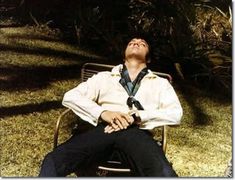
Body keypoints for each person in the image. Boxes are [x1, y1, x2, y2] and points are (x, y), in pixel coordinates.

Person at [39, 37, 183, 177]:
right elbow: (70, 96)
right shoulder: (104, 77)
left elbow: (176, 113)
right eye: (131, 42)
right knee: (53, 161)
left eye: (142, 44)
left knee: (164, 173)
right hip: (101, 130)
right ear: (123, 56)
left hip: (136, 134)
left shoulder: (160, 83)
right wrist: (103, 113)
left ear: (149, 58)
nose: (136, 43)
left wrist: (139, 116)